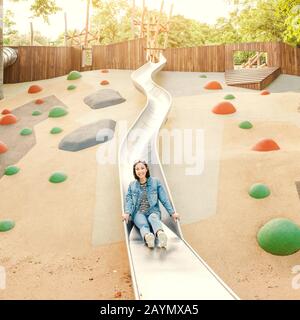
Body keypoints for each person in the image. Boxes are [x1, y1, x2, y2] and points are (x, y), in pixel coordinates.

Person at [122, 160, 180, 249]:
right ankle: (148, 237)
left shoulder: (155, 182)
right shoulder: (132, 185)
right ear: (135, 172)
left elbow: (164, 198)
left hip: (153, 210)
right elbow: (129, 200)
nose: (140, 171)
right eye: (137, 169)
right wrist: (127, 213)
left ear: (146, 169)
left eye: (142, 168)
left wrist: (172, 213)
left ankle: (160, 234)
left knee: (153, 218)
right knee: (143, 224)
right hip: (138, 212)